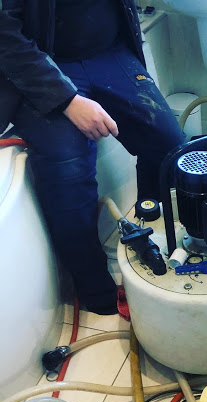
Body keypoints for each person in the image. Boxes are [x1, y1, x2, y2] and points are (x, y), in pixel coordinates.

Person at [0, 0, 185, 314]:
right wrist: (67, 100)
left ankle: (146, 235)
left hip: (109, 53)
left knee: (170, 146)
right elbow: (5, 35)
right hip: (43, 62)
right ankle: (96, 292)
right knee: (68, 169)